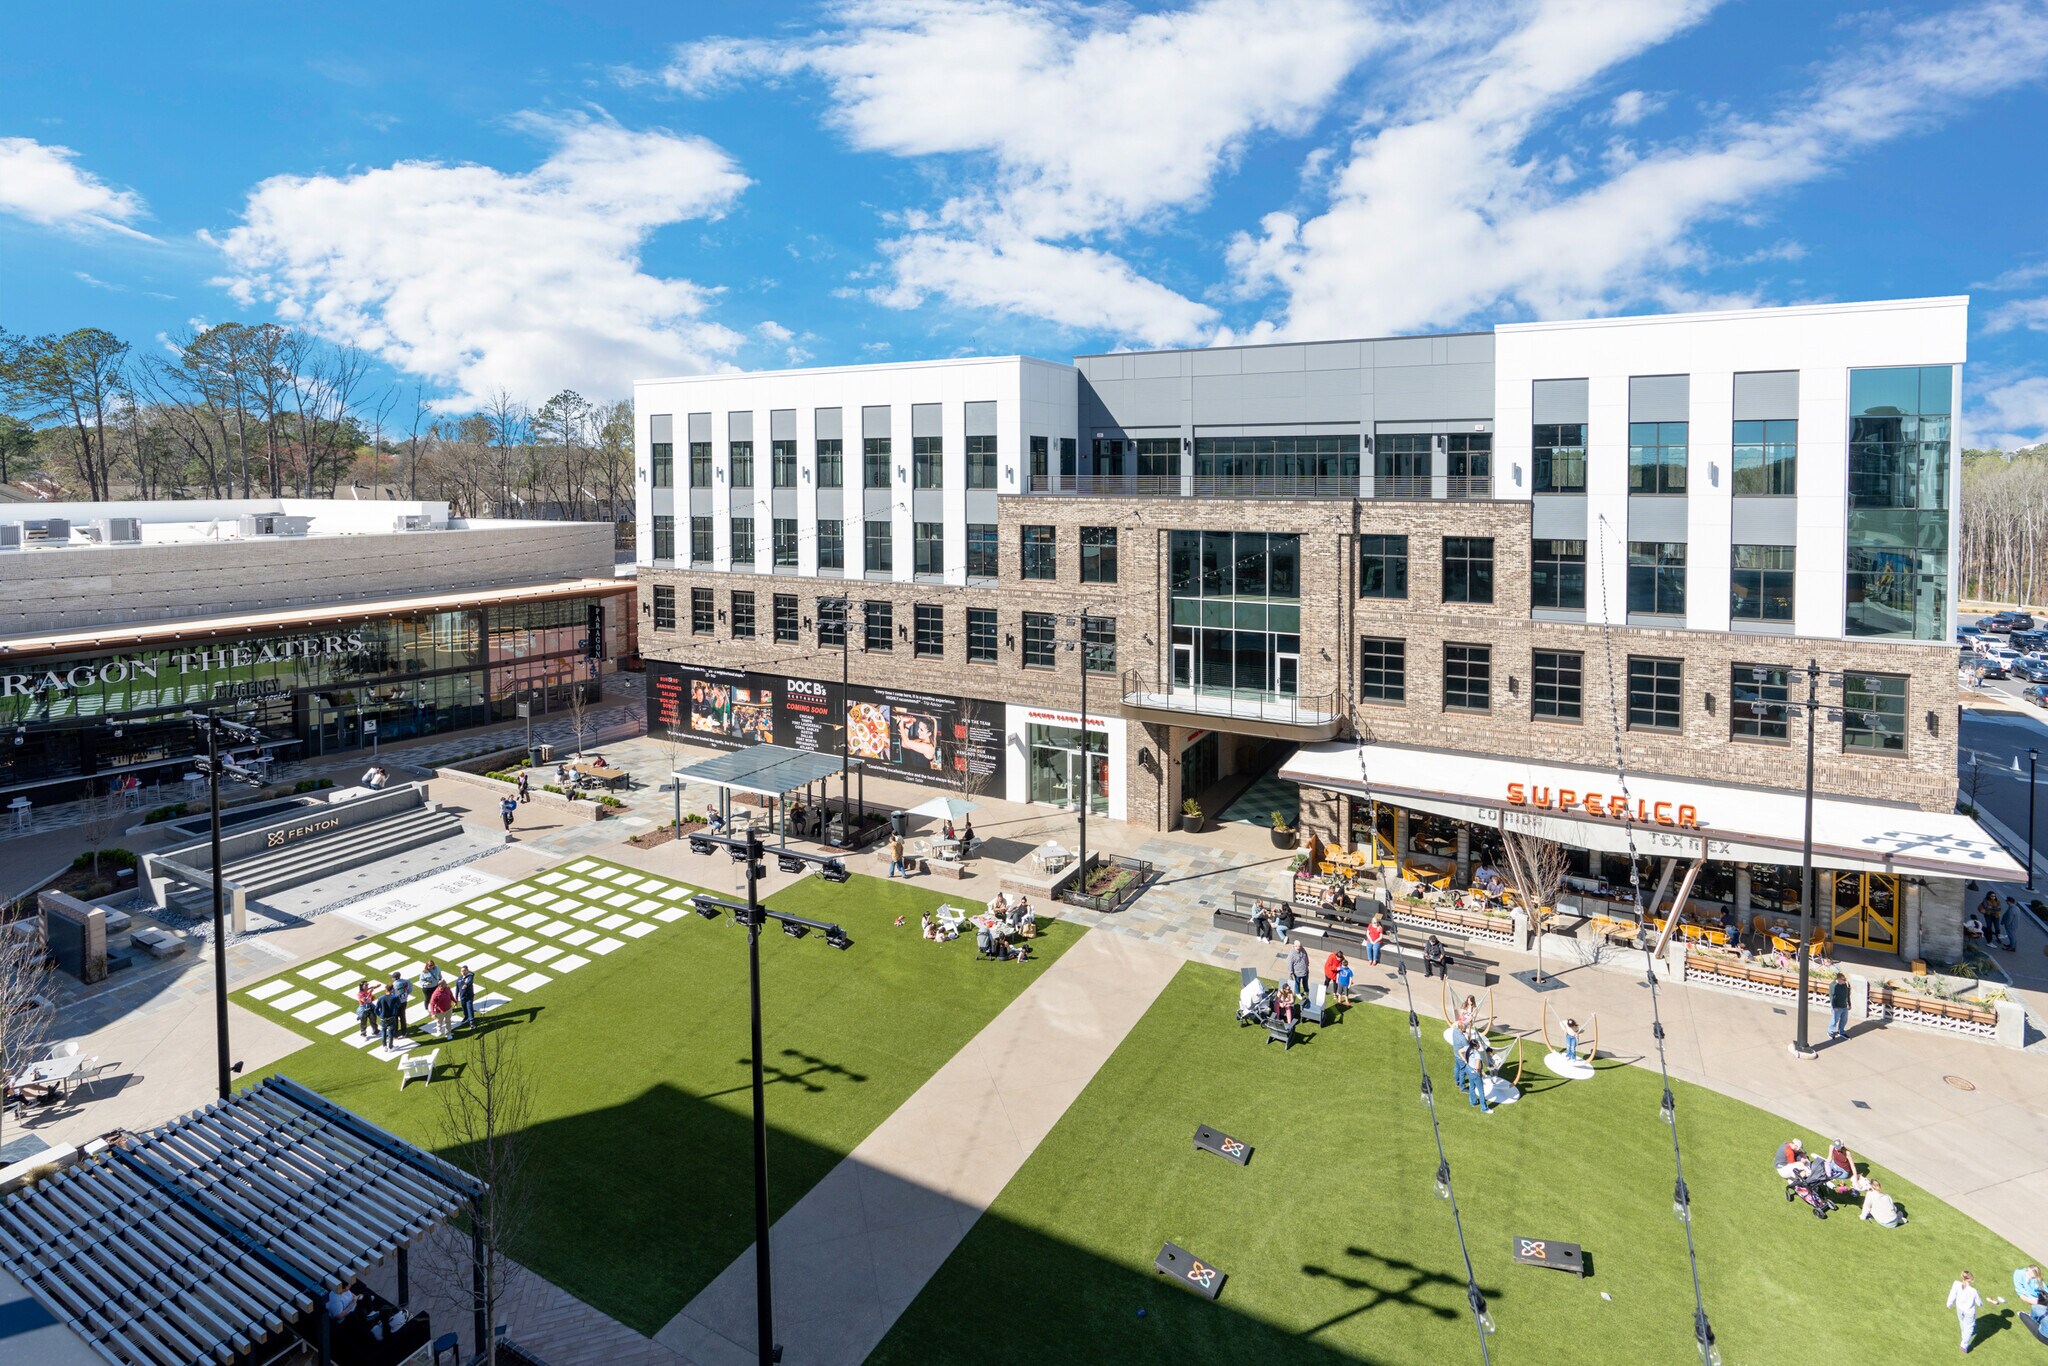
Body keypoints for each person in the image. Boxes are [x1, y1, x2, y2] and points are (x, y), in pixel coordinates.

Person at [1948, 1270, 1983, 1354]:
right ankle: (1964, 1344)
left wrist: (1949, 1303)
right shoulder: (1973, 1291)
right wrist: (1982, 1304)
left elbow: (1952, 1294)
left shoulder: (1956, 1284)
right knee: (1970, 1327)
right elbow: (1979, 1303)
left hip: (1959, 1308)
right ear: (1970, 1280)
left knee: (1962, 1323)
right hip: (1969, 1311)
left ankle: (1964, 1336)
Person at [1463, 1036, 1493, 1114]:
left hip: (1468, 1069)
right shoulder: (1477, 1055)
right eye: (1477, 1045)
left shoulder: (1467, 1048)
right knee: (1481, 1091)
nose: (1479, 1045)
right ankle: (1484, 1108)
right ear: (1474, 1046)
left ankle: (1473, 1102)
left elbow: (1459, 1051)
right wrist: (1481, 1075)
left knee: (1472, 1086)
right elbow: (1477, 1067)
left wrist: (1465, 1060)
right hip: (1475, 1073)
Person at [2016, 1265, 2047, 1332]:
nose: (2028, 1273)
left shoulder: (2038, 1281)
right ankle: (2032, 1317)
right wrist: (2031, 1298)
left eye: (2030, 1273)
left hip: (2039, 1299)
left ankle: (2034, 1318)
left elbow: (2045, 1290)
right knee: (2037, 1308)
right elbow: (2020, 1290)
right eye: (2027, 1271)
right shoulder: (2019, 1274)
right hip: (2031, 1298)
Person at [373, 984, 403, 1049]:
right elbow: (399, 1005)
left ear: (385, 989)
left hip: (383, 1018)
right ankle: (390, 1047)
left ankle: (384, 1046)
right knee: (390, 1033)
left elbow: (376, 1009)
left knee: (383, 1032)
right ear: (392, 990)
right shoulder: (395, 997)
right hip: (391, 1017)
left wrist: (380, 1015)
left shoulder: (381, 998)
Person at [1827, 973, 1851, 1042]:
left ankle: (1841, 1031)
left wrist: (1849, 1003)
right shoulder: (1833, 985)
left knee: (1844, 1019)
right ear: (1839, 979)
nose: (1844, 981)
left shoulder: (1844, 985)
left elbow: (1847, 995)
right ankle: (1830, 1031)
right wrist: (1834, 1006)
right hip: (1837, 1006)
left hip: (1844, 1006)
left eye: (1845, 980)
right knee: (1835, 1020)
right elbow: (1831, 996)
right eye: (1843, 980)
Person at [456, 965, 477, 1032]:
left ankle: (472, 1022)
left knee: (469, 1007)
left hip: (469, 996)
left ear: (467, 971)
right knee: (464, 1008)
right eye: (462, 971)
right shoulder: (459, 979)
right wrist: (456, 998)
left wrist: (466, 985)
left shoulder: (470, 976)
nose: (463, 972)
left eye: (464, 971)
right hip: (462, 997)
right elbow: (457, 989)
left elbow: (469, 981)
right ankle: (466, 1017)